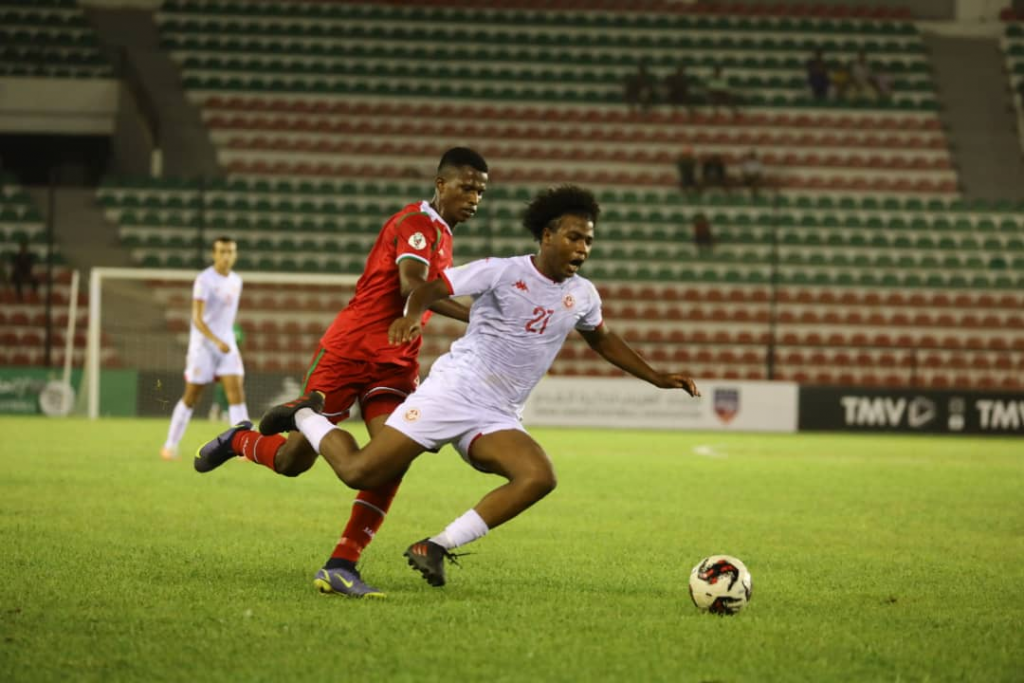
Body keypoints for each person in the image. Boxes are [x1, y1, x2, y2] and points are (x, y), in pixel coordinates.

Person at [197, 185, 700, 590]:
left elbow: (603, 339)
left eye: (589, 241)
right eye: (574, 238)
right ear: (547, 235)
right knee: (359, 471)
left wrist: (658, 377)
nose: (583, 249)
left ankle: (434, 546)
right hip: (453, 392)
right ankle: (304, 415)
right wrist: (411, 314)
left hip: (499, 411)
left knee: (538, 476)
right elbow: (430, 287)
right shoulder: (502, 270)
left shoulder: (583, 295)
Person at [194, 147, 489, 598]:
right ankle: (240, 440)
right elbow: (412, 284)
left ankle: (341, 564)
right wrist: (477, 316)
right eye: (466, 188)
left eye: (481, 192)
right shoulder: (416, 224)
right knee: (292, 462)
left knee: (392, 457)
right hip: (350, 350)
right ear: (440, 184)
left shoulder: (442, 234)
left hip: (396, 361)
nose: (474, 198)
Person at [161, 236, 249, 460]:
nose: (226, 256)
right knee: (192, 396)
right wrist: (216, 340)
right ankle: (170, 445)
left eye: (230, 251)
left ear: (235, 255)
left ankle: (244, 448)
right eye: (222, 251)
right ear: (214, 254)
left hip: (226, 345)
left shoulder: (236, 281)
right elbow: (197, 319)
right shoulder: (204, 280)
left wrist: (225, 339)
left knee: (237, 394)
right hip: (204, 346)